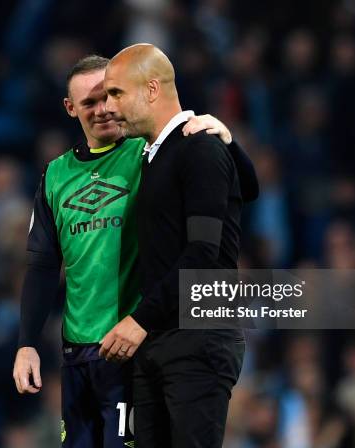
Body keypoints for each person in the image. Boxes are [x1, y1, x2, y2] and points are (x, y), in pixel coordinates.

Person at [13, 55, 257, 447]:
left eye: (111, 94)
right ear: (69, 108)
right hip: (79, 353)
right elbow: (42, 264)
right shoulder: (55, 175)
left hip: (133, 342)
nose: (105, 108)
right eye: (92, 101)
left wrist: (226, 138)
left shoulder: (148, 152)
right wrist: (27, 342)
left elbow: (235, 192)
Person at [101, 44, 254, 447]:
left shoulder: (199, 149)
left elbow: (203, 254)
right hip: (160, 339)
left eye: (116, 93)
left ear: (152, 90)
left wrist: (140, 319)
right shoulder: (157, 155)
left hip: (196, 337)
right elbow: (247, 188)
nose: (108, 106)